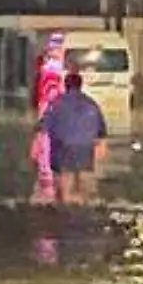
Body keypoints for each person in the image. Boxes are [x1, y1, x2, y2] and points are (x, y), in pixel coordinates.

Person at [37, 72, 107, 205]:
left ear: (65, 85)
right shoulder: (91, 103)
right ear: (81, 85)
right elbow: (101, 132)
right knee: (84, 187)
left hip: (62, 148)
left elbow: (43, 127)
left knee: (64, 190)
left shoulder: (56, 103)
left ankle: (65, 207)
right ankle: (82, 205)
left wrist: (36, 148)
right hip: (85, 149)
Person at [29, 33, 68, 204]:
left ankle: (48, 187)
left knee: (45, 155)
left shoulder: (48, 71)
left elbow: (44, 99)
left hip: (48, 120)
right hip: (55, 121)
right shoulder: (55, 71)